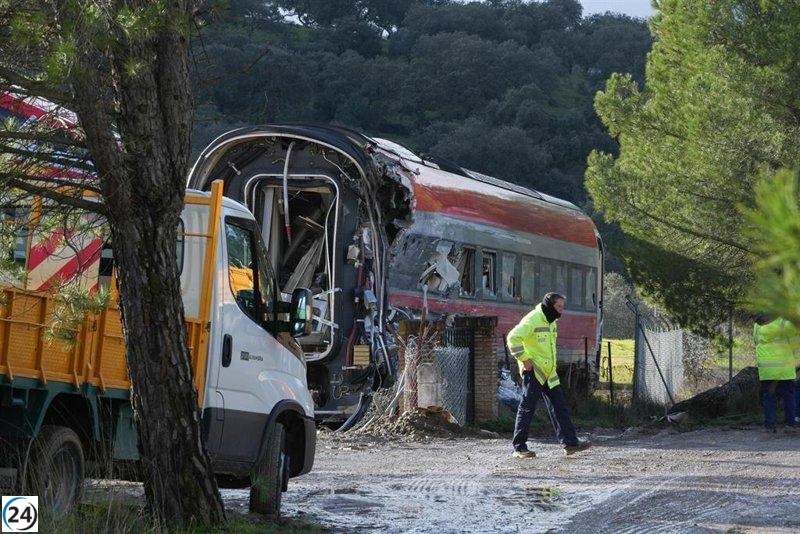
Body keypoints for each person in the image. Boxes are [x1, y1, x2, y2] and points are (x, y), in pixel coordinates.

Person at [507, 292, 591, 457]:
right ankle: (519, 447)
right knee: (527, 408)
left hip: (549, 373)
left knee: (560, 407)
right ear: (549, 305)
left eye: (563, 307)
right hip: (535, 372)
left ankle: (570, 443)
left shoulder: (551, 321)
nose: (562, 311)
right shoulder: (532, 319)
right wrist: (524, 359)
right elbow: (513, 338)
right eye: (559, 306)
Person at [753, 314, 797, 432]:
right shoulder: (785, 324)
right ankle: (790, 425)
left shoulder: (757, 325)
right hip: (784, 370)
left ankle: (770, 425)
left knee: (768, 398)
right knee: (788, 398)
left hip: (766, 370)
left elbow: (756, 343)